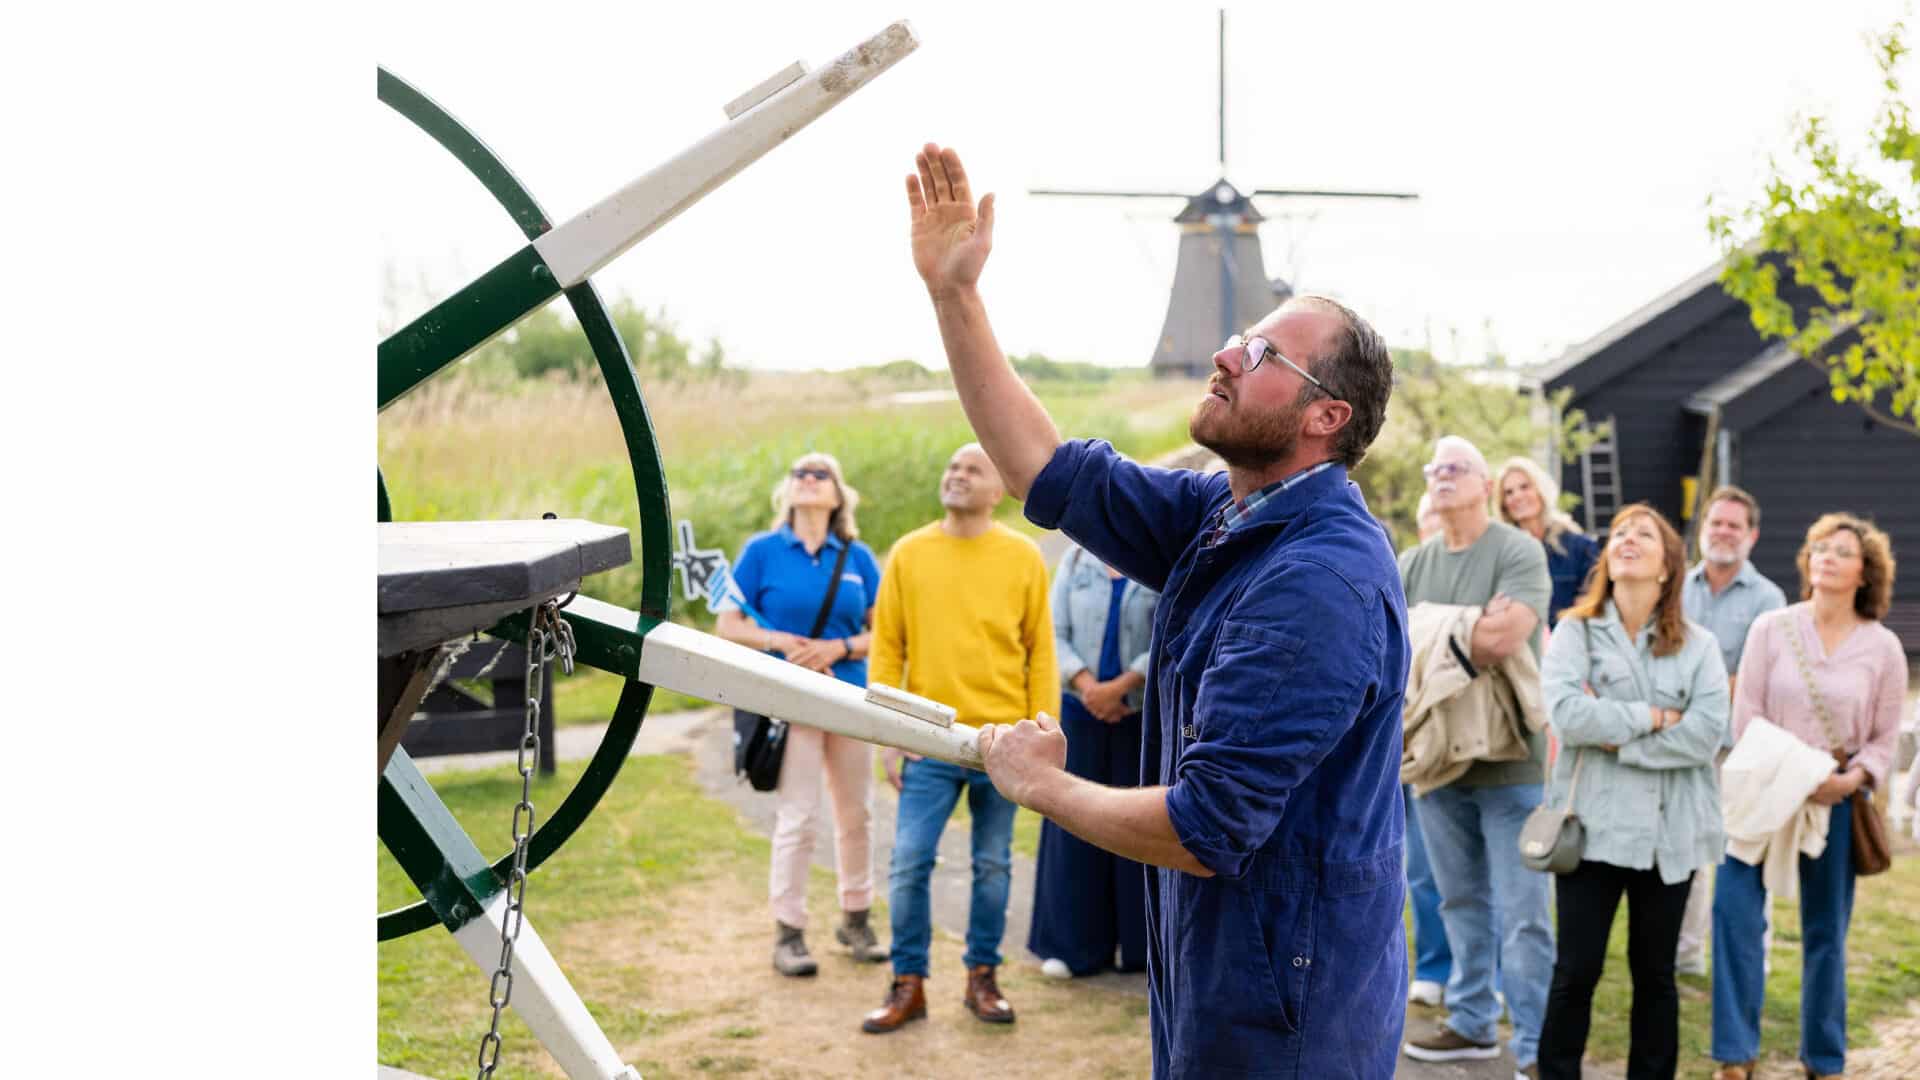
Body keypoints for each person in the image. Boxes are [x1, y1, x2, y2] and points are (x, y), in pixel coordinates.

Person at [906, 143, 1411, 1078]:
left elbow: (1205, 826)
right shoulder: (1226, 515)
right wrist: (954, 295)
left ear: (1325, 417)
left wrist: (1040, 783)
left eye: (1261, 353)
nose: (1225, 352)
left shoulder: (1315, 584)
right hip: (1228, 983)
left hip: (1288, 1026)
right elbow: (1046, 472)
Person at [860, 443, 1059, 1034]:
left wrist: (1042, 734)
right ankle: (909, 983)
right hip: (926, 738)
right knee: (909, 862)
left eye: (973, 469)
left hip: (1003, 741)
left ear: (999, 490)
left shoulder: (1023, 558)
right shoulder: (909, 553)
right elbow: (886, 649)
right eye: (952, 466)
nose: (957, 475)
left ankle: (982, 979)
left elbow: (1039, 653)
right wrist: (887, 736)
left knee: (994, 865)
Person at [1534, 504, 1729, 1080]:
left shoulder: (1700, 646)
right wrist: (1655, 717)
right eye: (1620, 533)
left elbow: (1703, 736)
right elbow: (1568, 717)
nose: (1627, 540)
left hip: (1669, 836)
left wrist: (1617, 737)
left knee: (1656, 977)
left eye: (1644, 534)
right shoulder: (1574, 632)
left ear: (1669, 566)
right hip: (1588, 832)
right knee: (1574, 972)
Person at [1710, 513, 1907, 1080]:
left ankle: (1823, 1058)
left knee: (1826, 932)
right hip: (1763, 790)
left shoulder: (1884, 648)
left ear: (1865, 571)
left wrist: (1850, 781)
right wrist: (1790, 770)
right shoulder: (1773, 629)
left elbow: (1883, 740)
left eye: (1842, 551)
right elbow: (1745, 715)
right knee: (1735, 914)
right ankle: (1734, 1054)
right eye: (1819, 546)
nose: (1825, 555)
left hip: (1835, 797)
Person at [1398, 435, 1555, 1079]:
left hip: (1510, 761)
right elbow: (1392, 643)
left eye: (1457, 468)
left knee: (1523, 915)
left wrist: (1429, 624)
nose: (1443, 477)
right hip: (1435, 759)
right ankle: (1470, 1023)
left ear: (1485, 486)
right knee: (1457, 900)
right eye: (1436, 468)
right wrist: (1462, 621)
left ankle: (1540, 1045)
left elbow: (1504, 635)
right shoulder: (1411, 561)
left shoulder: (1518, 551)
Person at [713, 453, 887, 976]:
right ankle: (788, 932)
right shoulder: (762, 552)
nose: (809, 481)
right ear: (787, 491)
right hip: (788, 700)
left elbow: (885, 633)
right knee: (799, 815)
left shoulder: (858, 558)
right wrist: (778, 641)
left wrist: (840, 648)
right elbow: (729, 624)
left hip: (850, 698)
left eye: (821, 475)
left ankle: (856, 918)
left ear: (837, 495)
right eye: (800, 475)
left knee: (856, 813)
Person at [1673, 486, 1787, 976]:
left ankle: (1747, 956)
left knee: (1743, 854)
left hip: (1740, 747)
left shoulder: (1769, 599)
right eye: (1715, 523)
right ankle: (1687, 953)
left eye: (1733, 526)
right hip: (1684, 745)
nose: (1722, 532)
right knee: (1689, 850)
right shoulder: (1678, 586)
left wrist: (1696, 685)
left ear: (1752, 536)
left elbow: (1756, 677)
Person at [1030, 544, 1158, 979]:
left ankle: (1141, 950)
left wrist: (1122, 687)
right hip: (1080, 714)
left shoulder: (1156, 557)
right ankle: (1073, 947)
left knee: (1136, 824)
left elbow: (1172, 630)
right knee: (1072, 821)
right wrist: (1090, 687)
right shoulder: (1074, 560)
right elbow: (1054, 631)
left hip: (1138, 714)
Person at [1403, 492, 1453, 1009]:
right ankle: (1435, 966)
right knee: (1421, 868)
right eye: (1428, 521)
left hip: (1465, 747)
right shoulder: (1404, 582)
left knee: (1475, 878)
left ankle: (1485, 977)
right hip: (1414, 748)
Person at [1495, 456, 1598, 629]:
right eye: (1508, 492)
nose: (1517, 496)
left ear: (1541, 490)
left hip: (1566, 645)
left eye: (1525, 487)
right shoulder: (1500, 553)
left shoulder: (1581, 548)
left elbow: (1589, 610)